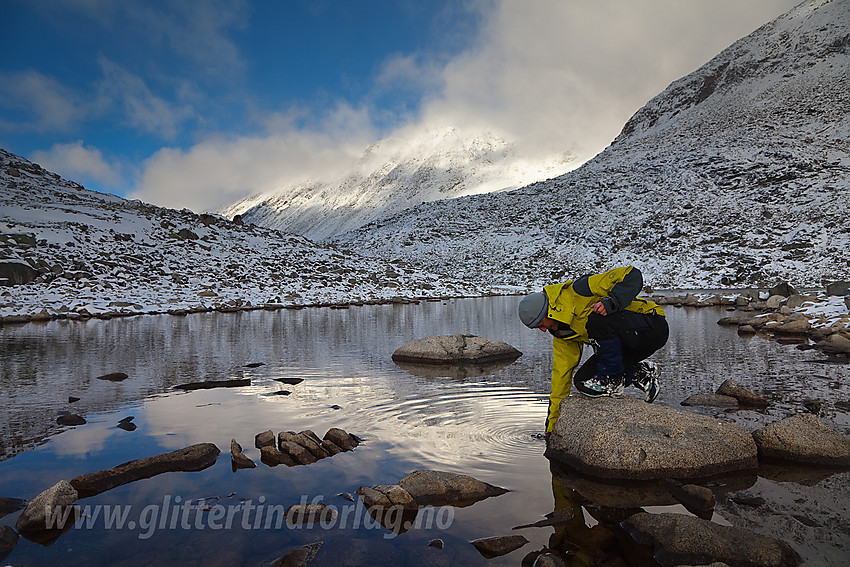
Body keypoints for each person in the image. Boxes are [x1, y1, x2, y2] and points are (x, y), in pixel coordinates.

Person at [518, 266, 668, 433]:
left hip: (651, 327)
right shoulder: (562, 335)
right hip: (625, 344)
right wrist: (551, 427)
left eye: (540, 325)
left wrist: (612, 302)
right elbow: (560, 379)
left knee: (596, 319)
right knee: (583, 381)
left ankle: (614, 377)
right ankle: (641, 372)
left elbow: (632, 274)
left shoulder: (580, 290)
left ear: (547, 313)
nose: (543, 330)